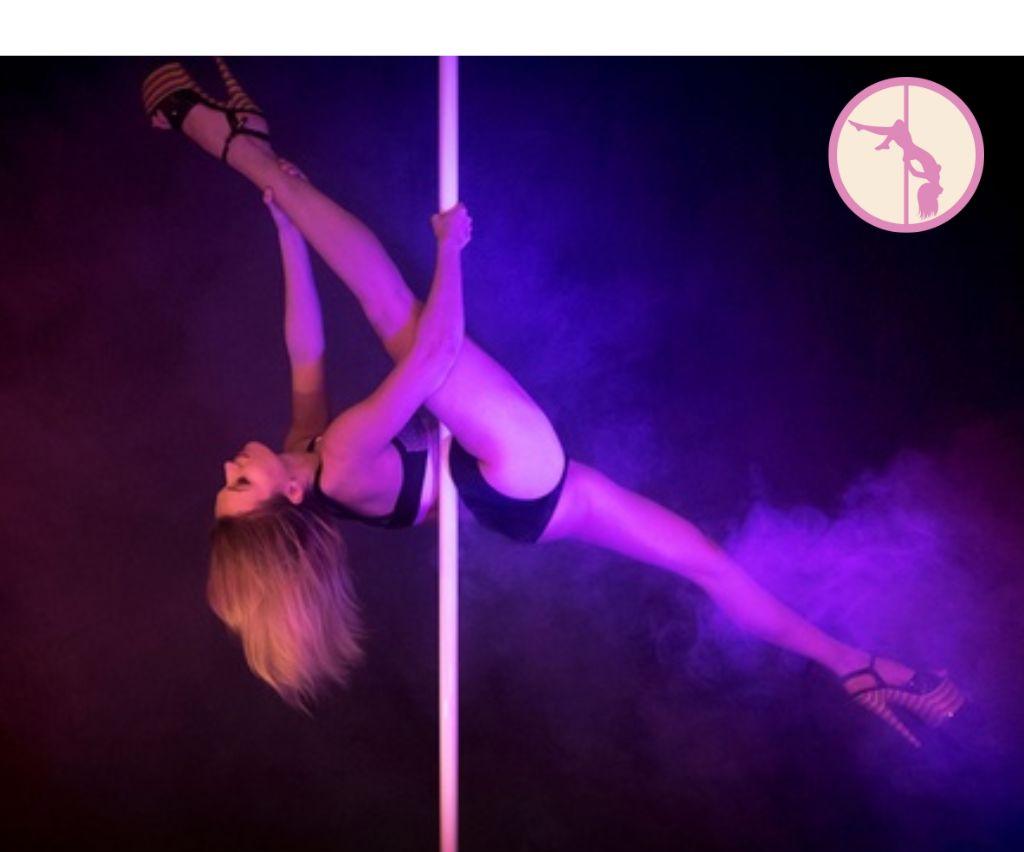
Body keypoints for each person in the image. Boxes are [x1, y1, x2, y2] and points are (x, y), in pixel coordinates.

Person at [146, 59, 964, 743]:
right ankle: (228, 141)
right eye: (238, 485)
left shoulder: (307, 453)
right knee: (395, 312)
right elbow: (433, 356)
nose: (228, 465)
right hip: (507, 469)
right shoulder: (343, 459)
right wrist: (449, 250)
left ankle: (852, 665)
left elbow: (306, 349)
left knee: (706, 563)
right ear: (286, 499)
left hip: (522, 504)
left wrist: (287, 230)